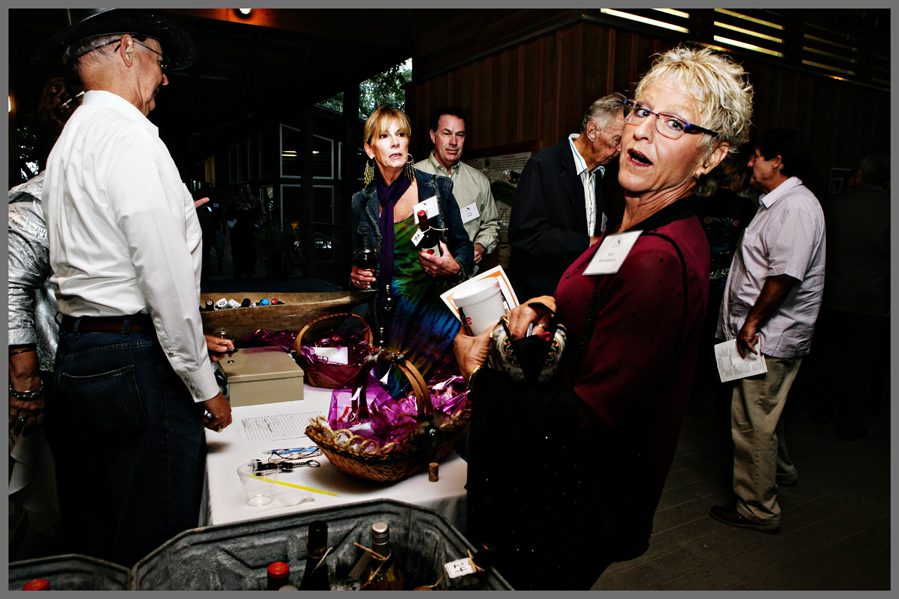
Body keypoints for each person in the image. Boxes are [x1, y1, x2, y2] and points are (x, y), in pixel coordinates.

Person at [454, 45, 752, 589]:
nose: (641, 131)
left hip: (570, 503)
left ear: (710, 157)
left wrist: (479, 373)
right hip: (564, 491)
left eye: (674, 123)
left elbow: (584, 422)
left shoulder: (659, 258)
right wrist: (552, 303)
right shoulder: (632, 223)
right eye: (640, 110)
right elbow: (598, 286)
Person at [39, 9, 234, 567]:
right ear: (127, 50)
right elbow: (163, 279)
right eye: (160, 60)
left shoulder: (69, 141)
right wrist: (204, 385)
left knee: (100, 533)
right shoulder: (131, 138)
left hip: (78, 353)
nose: (164, 77)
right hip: (134, 358)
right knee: (158, 545)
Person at [710, 128, 826, 534]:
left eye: (757, 156)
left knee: (751, 420)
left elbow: (784, 277)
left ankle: (757, 507)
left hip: (765, 338)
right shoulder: (774, 202)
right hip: (754, 334)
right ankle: (781, 473)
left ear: (778, 161)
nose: (750, 163)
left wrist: (753, 323)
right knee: (764, 412)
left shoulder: (795, 207)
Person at [350, 107, 473, 394]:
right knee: (395, 411)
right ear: (370, 150)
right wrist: (356, 276)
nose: (395, 142)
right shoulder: (361, 202)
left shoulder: (435, 189)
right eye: (384, 136)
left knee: (440, 407)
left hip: (435, 322)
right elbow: (359, 260)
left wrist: (455, 267)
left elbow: (463, 245)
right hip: (389, 324)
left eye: (401, 134)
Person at [507, 93, 625, 300]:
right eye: (617, 140)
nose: (621, 149)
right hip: (540, 295)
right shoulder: (543, 164)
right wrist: (589, 243)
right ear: (592, 131)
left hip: (579, 290)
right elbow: (525, 234)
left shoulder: (607, 174)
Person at [809, 153, 889, 440]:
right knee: (862, 365)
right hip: (872, 301)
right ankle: (851, 422)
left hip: (833, 296)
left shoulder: (833, 205)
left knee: (827, 356)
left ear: (859, 174)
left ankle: (820, 410)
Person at [686, 145, 757, 415]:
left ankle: (692, 398)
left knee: (696, 342)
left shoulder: (701, 202)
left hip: (701, 279)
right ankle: (723, 403)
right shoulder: (746, 207)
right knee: (726, 341)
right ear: (737, 175)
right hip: (729, 284)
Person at [415, 107, 500, 269]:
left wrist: (480, 246)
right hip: (423, 277)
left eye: (459, 135)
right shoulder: (412, 178)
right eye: (446, 134)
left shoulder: (479, 181)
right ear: (433, 136)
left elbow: (491, 224)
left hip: (466, 275)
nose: (453, 141)